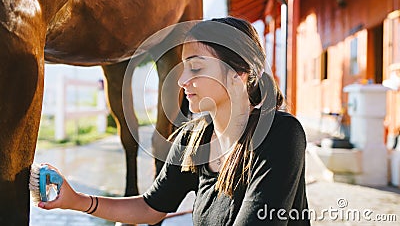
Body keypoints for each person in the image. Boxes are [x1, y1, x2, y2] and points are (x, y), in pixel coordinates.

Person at [37, 17, 310, 225]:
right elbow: (151, 207)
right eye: (183, 68)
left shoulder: (280, 134)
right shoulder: (193, 141)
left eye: (196, 67)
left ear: (237, 74)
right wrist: (76, 200)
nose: (181, 81)